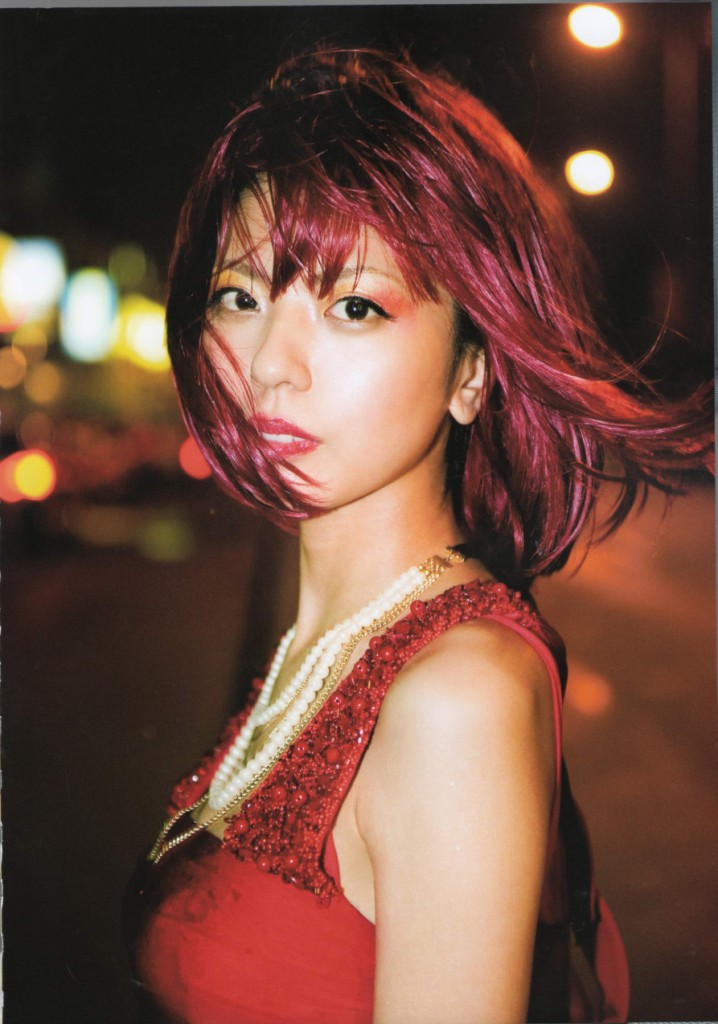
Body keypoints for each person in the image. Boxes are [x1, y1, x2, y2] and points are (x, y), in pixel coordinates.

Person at [123, 48, 710, 1024]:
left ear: (471, 371)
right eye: (240, 297)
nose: (270, 365)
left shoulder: (456, 695)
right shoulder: (321, 644)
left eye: (353, 306)